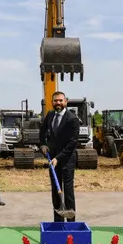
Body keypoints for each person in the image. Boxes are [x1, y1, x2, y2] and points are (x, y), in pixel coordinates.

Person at [39, 91, 79, 222]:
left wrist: (58, 158)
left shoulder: (72, 119)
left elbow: (72, 143)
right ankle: (58, 221)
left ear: (66, 101)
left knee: (67, 191)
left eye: (61, 100)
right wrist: (43, 144)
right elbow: (42, 131)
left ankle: (71, 222)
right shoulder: (50, 115)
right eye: (55, 101)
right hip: (52, 159)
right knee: (56, 190)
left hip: (66, 160)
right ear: (52, 102)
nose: (58, 103)